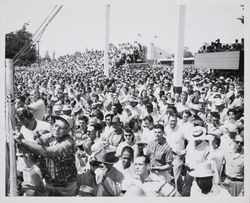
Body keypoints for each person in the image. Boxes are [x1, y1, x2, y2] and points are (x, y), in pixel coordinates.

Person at [14, 115, 78, 196]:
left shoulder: (69, 143)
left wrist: (22, 141)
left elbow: (45, 152)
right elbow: (32, 146)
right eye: (56, 125)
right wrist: (21, 139)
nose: (57, 129)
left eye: (61, 127)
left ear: (68, 130)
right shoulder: (48, 137)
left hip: (65, 189)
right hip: (49, 185)